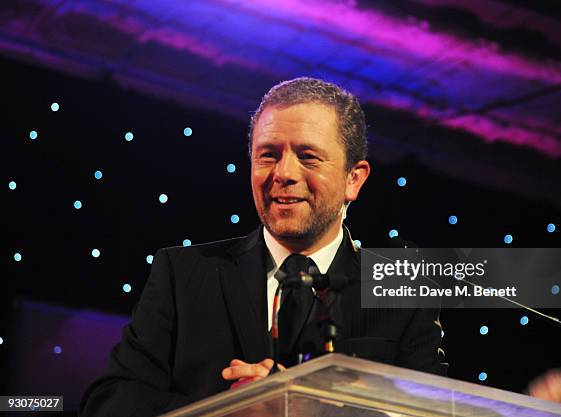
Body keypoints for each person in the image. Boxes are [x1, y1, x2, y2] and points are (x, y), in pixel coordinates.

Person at [80, 77, 447, 417]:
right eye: (268, 155)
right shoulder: (183, 272)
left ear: (354, 179)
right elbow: (108, 402)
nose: (283, 173)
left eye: (308, 156)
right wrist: (233, 411)